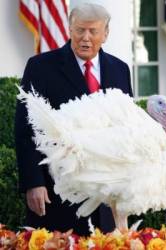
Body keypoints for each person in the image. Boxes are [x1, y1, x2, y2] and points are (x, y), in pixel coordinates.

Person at [15, 3, 132, 235]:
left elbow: (128, 130)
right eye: (79, 30)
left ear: (105, 34)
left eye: (93, 31)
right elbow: (25, 129)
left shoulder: (120, 70)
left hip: (107, 196)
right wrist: (33, 183)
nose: (85, 38)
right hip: (57, 193)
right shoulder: (40, 67)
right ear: (69, 29)